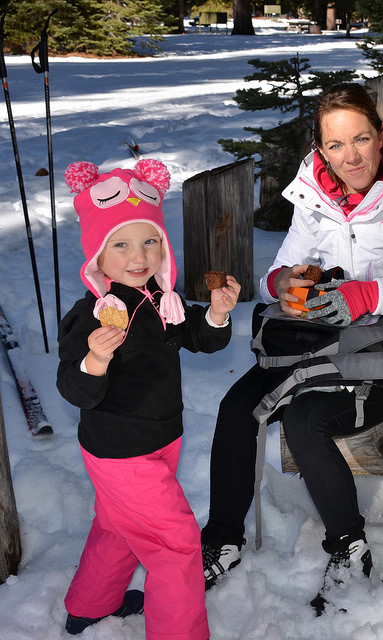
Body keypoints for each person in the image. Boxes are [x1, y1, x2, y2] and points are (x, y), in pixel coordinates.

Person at [200, 82, 383, 612]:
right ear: (320, 150)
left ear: (380, 134)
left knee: (305, 422)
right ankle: (222, 540)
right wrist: (285, 284)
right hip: (317, 348)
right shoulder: (313, 197)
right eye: (336, 145)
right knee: (235, 408)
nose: (350, 156)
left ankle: (349, 546)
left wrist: (372, 292)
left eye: (360, 139)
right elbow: (278, 270)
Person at [58, 159, 240, 639]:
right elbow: (73, 389)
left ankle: (90, 605)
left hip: (162, 437)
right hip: (120, 448)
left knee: (118, 526)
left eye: (150, 241)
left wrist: (217, 315)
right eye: (120, 244)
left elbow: (198, 338)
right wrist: (94, 361)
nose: (139, 256)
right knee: (175, 543)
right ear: (97, 255)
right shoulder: (93, 316)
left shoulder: (162, 300)